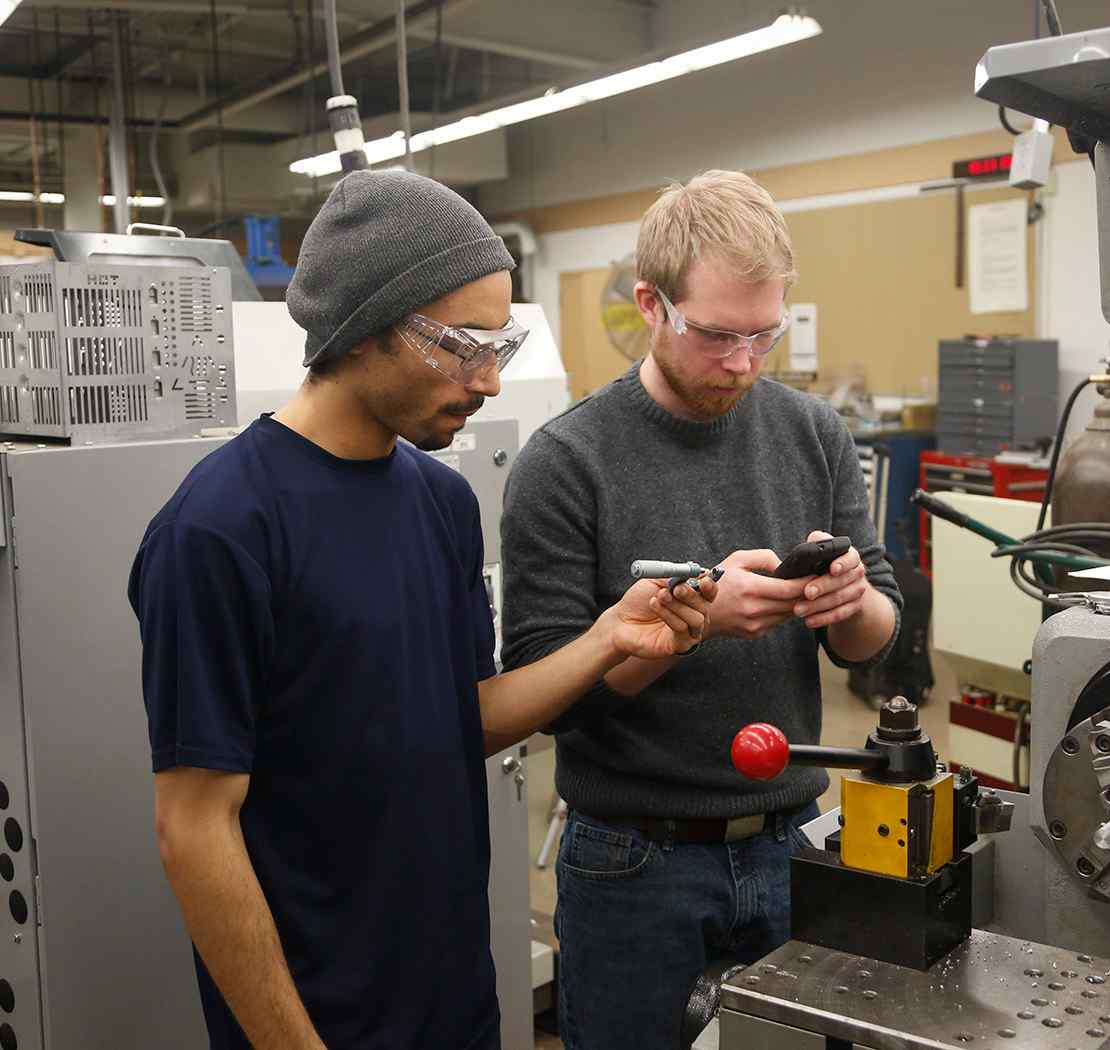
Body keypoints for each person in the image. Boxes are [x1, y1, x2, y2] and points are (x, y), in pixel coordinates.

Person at [128, 170, 716, 1050]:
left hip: (454, 1001)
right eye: (460, 345)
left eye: (499, 347)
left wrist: (607, 639)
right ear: (364, 326)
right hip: (318, 1017)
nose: (487, 380)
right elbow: (194, 830)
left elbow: (463, 720)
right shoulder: (220, 530)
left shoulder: (441, 502)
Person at [501, 169, 903, 1047]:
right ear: (650, 303)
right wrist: (693, 628)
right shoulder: (565, 462)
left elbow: (876, 637)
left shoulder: (812, 433)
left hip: (798, 841)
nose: (742, 363)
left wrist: (853, 600)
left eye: (766, 334)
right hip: (634, 862)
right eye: (717, 334)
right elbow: (548, 697)